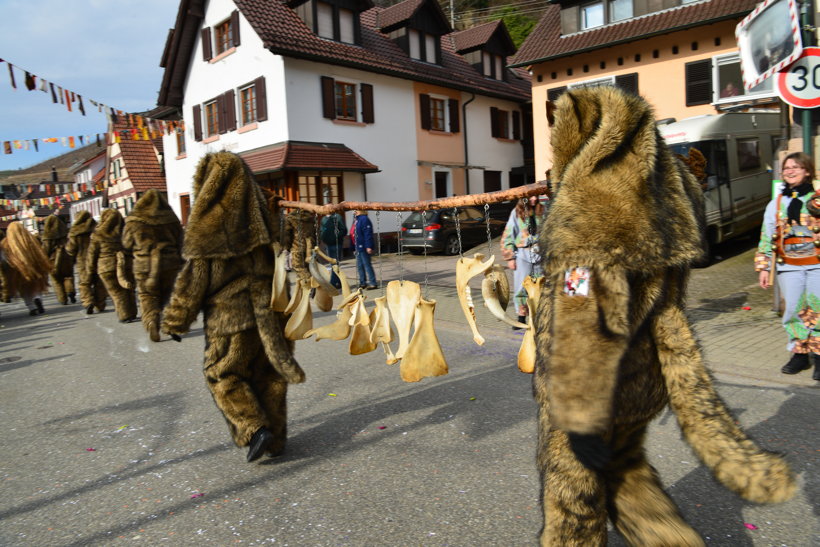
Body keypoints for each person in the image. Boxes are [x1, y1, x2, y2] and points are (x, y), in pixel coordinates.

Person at [161, 152, 305, 463]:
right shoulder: (269, 213)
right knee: (270, 375)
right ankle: (276, 440)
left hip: (231, 317)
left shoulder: (208, 223)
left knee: (222, 373)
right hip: (274, 310)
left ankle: (253, 428)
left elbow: (193, 281)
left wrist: (175, 321)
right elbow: (291, 239)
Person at [756, 151, 820, 381]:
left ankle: (819, 355)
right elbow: (767, 235)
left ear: (807, 171)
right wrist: (764, 267)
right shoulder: (776, 203)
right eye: (786, 168)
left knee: (818, 309)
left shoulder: (818, 198)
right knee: (793, 309)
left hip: (816, 265)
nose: (790, 171)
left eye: (796, 167)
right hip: (789, 267)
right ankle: (800, 354)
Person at [122, 189, 184, 342]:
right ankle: (168, 323)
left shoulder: (134, 221)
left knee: (147, 295)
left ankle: (151, 321)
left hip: (144, 265)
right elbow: (182, 243)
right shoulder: (172, 219)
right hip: (170, 263)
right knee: (168, 295)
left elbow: (126, 244)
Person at [501, 195, 547, 326]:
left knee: (540, 285)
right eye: (530, 196)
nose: (533, 199)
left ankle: (539, 316)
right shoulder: (516, 212)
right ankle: (521, 316)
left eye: (535, 196)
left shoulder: (543, 211)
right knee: (521, 287)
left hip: (540, 254)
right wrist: (510, 257)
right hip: (523, 254)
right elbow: (508, 234)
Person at [88, 209, 137, 323]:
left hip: (106, 267)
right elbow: (132, 247)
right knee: (128, 289)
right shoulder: (126, 232)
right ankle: (132, 312)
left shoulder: (97, 234)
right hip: (126, 264)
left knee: (116, 292)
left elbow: (92, 254)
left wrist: (90, 269)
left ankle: (124, 315)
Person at [0, 221, 51, 316]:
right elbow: (40, 252)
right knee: (37, 285)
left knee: (24, 289)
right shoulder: (31, 239)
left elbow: (4, 258)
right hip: (35, 267)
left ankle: (31, 307)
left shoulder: (6, 243)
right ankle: (37, 298)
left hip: (18, 270)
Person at [66, 211, 107, 314]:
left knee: (85, 283)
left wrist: (71, 255)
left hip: (83, 261)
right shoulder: (97, 228)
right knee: (99, 283)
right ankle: (100, 304)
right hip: (97, 259)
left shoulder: (75, 232)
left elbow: (70, 249)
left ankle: (88, 302)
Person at [41, 214, 76, 305]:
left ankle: (63, 299)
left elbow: (46, 250)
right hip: (67, 257)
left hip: (54, 259)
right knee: (68, 276)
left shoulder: (47, 236)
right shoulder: (66, 232)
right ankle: (70, 291)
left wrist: (44, 259)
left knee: (57, 280)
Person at [320, 211, 346, 289]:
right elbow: (322, 230)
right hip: (328, 244)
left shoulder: (337, 217)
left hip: (336, 243)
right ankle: (338, 282)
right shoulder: (324, 219)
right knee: (333, 265)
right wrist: (323, 238)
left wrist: (336, 237)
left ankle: (333, 283)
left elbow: (343, 229)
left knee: (335, 264)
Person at [352, 210, 377, 289]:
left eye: (356, 210)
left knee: (367, 265)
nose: (354, 211)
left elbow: (367, 233)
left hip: (363, 245)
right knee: (360, 265)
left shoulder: (364, 219)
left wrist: (368, 246)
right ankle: (362, 282)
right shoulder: (356, 220)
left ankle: (373, 283)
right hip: (357, 246)